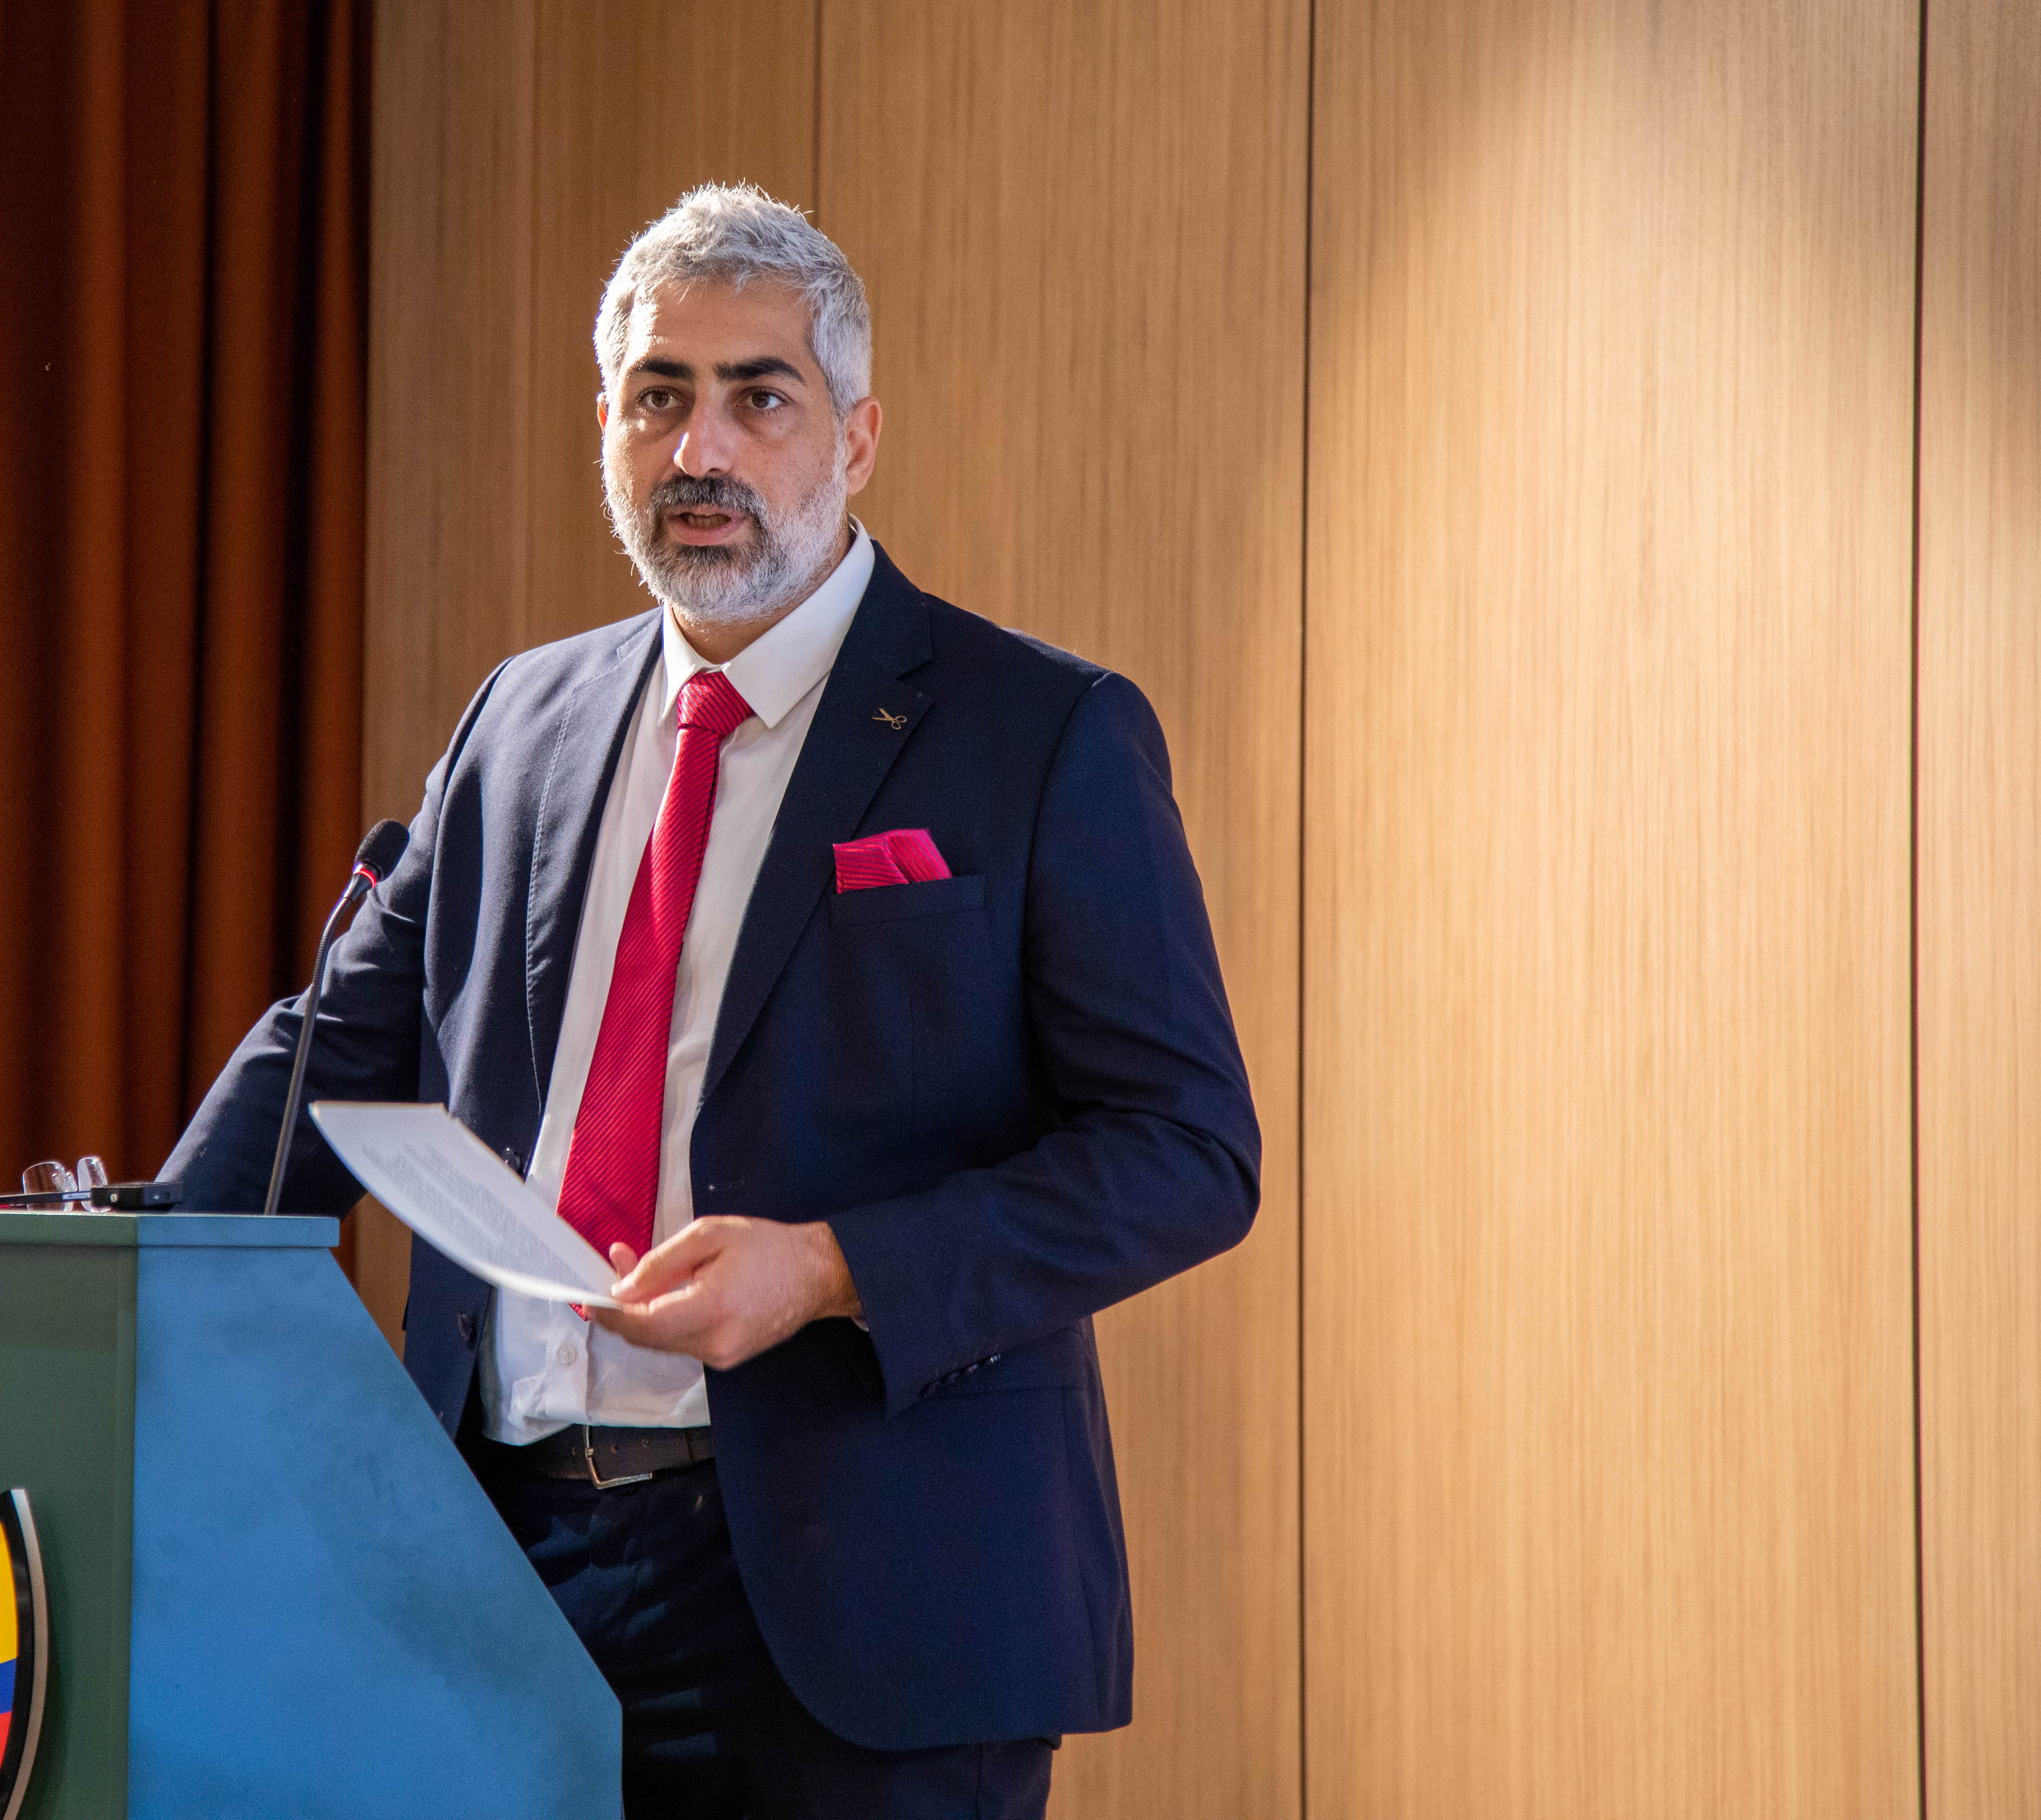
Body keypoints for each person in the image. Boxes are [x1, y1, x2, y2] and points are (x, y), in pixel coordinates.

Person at [164, 182, 1259, 1820]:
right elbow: (337, 1052)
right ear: (605, 428)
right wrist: (137, 1270)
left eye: (761, 398)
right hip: (494, 1574)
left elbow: (1186, 1153)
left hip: (865, 1601)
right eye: (660, 397)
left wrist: (828, 1269)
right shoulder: (520, 719)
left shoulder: (1040, 734)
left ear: (857, 438)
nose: (703, 449)